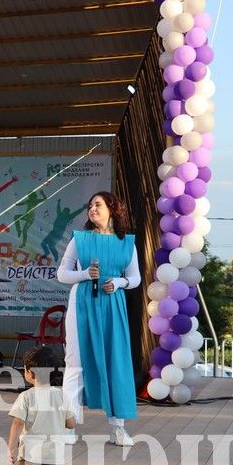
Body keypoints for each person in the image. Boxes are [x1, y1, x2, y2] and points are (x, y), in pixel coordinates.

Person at [57, 191, 141, 446]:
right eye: (90, 205)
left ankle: (117, 428)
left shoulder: (127, 242)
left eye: (98, 204)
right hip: (81, 302)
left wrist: (119, 281)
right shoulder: (79, 240)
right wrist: (84, 274)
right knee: (75, 362)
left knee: (115, 361)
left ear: (112, 209)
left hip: (112, 305)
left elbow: (135, 278)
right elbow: (62, 274)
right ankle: (68, 427)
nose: (92, 209)